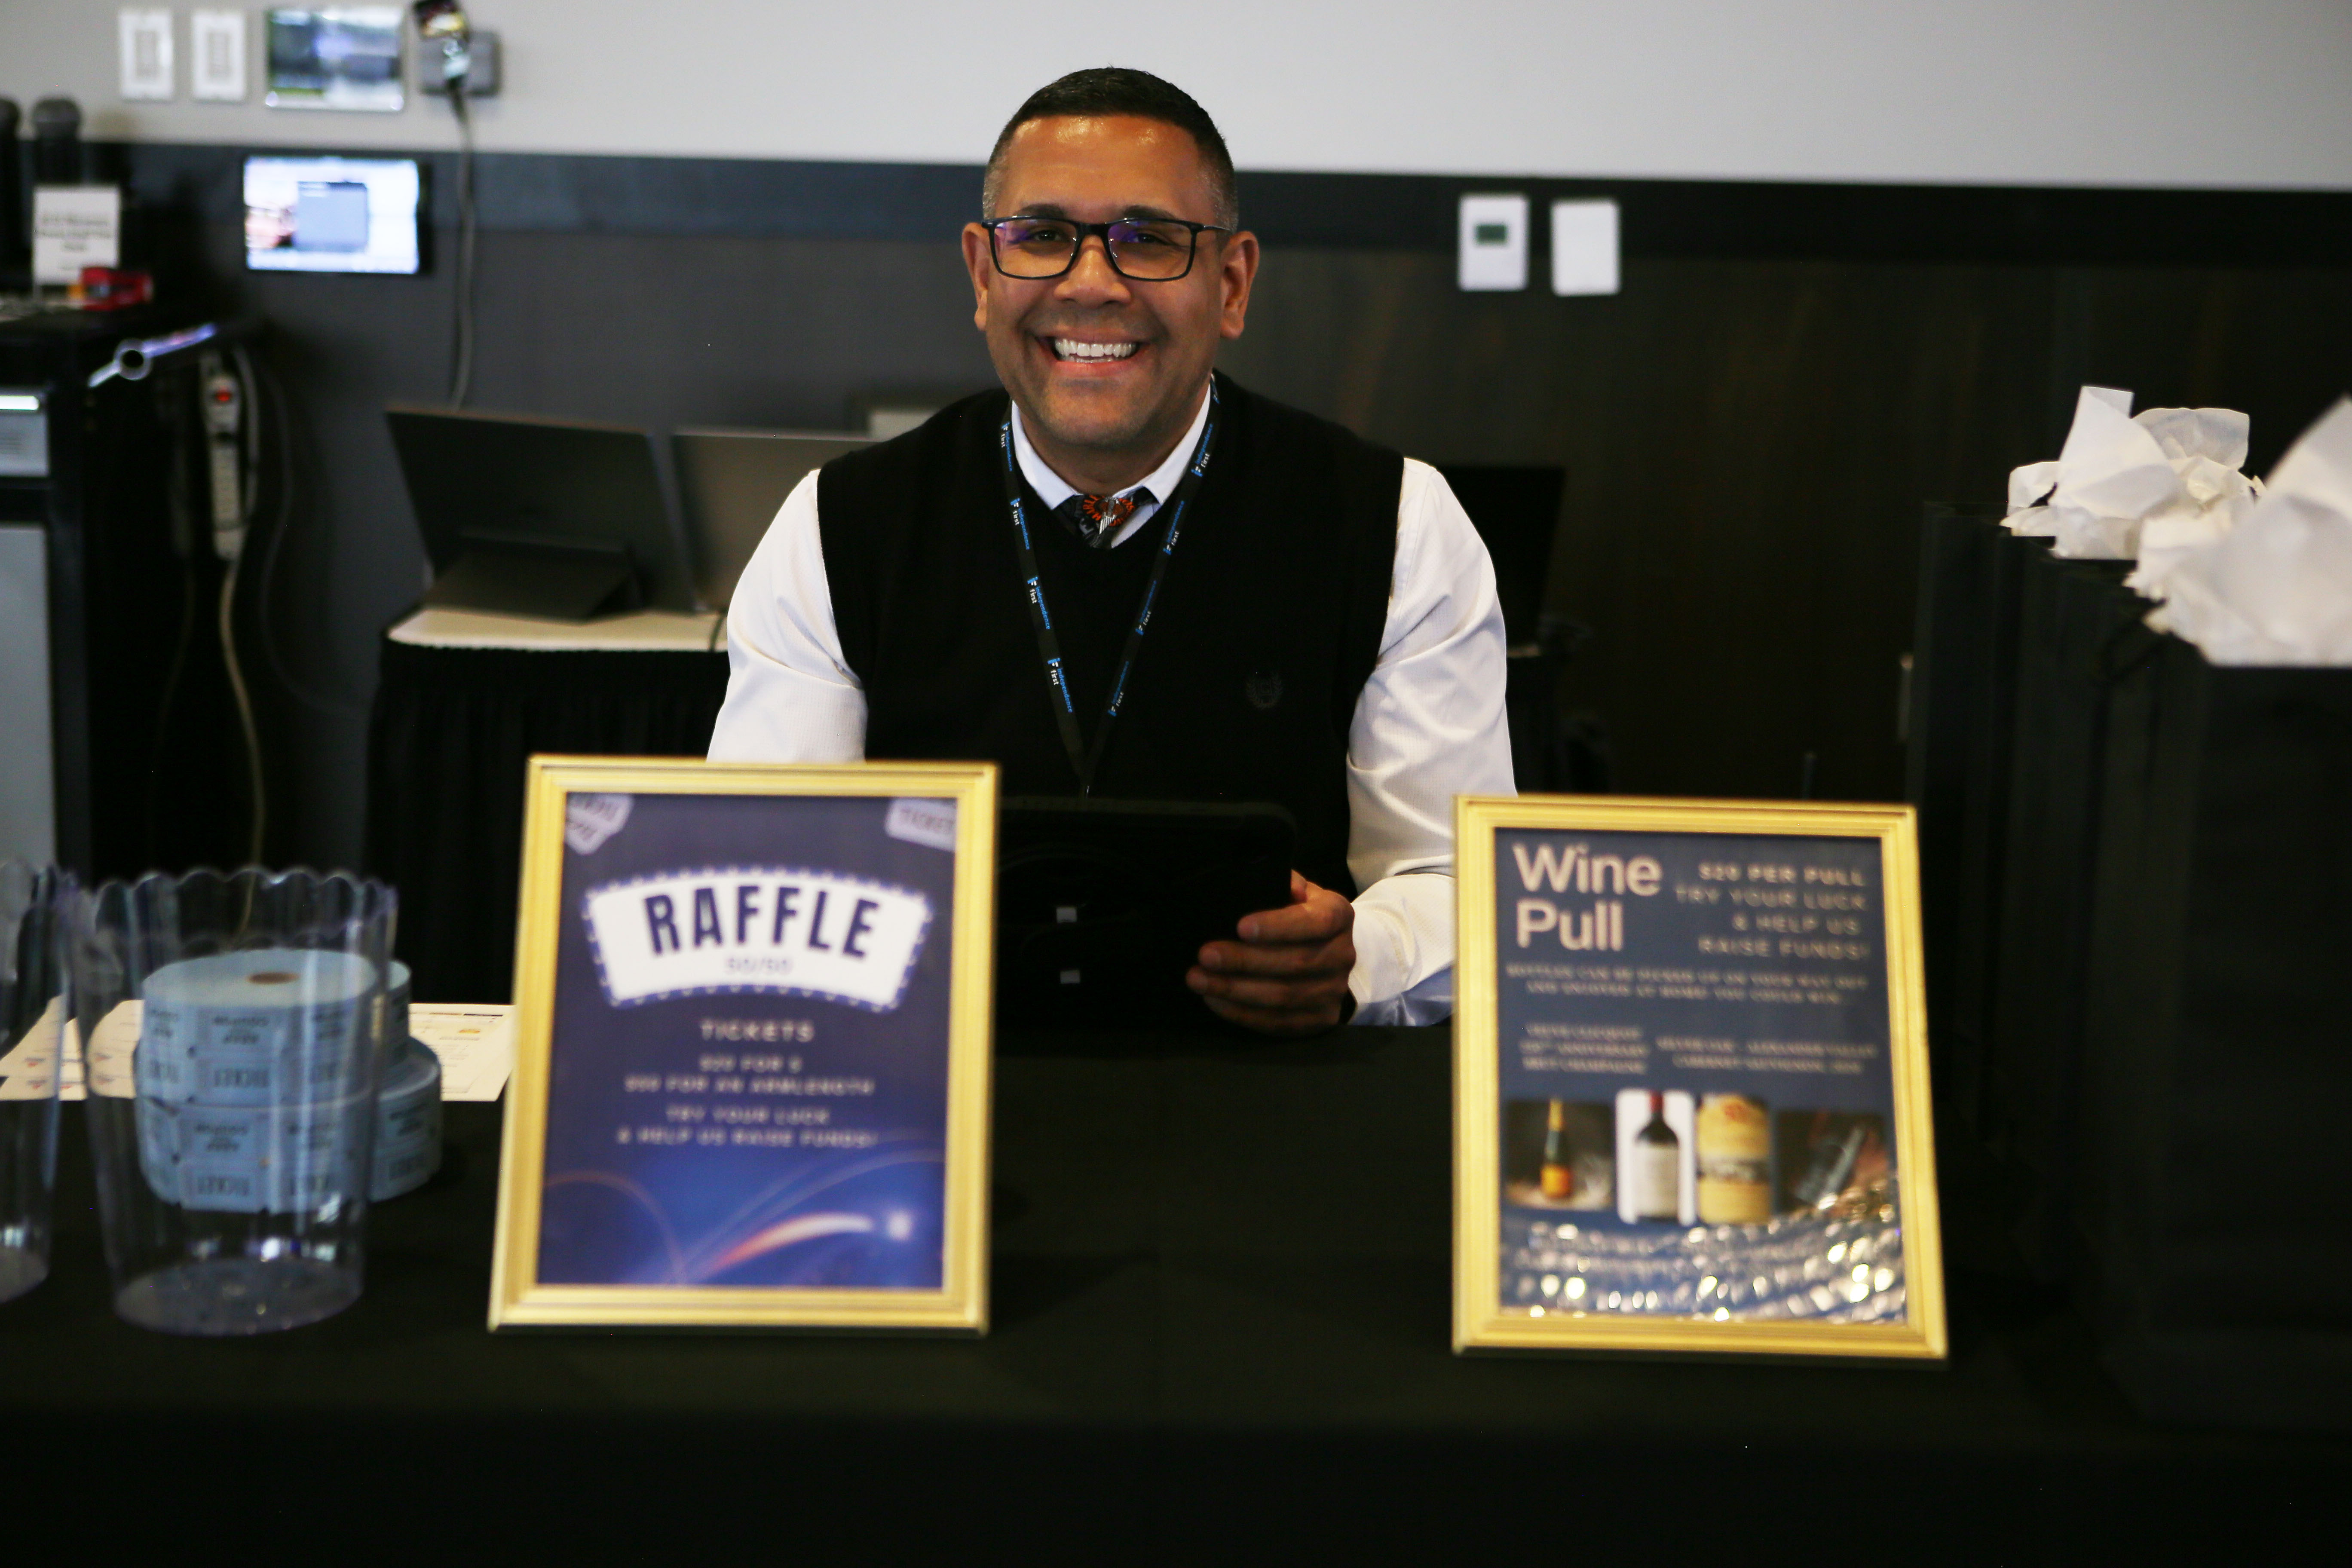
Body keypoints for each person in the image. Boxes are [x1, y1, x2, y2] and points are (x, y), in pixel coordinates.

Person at [709, 67, 1512, 1035]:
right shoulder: (837, 527)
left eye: (1149, 240)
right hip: (936, 1082)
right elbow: (761, 874)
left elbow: (1456, 879)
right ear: (982, 274)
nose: (1091, 284)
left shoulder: (1396, 523)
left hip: (1274, 1085)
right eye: (1043, 237)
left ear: (1232, 284)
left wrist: (1359, 959)